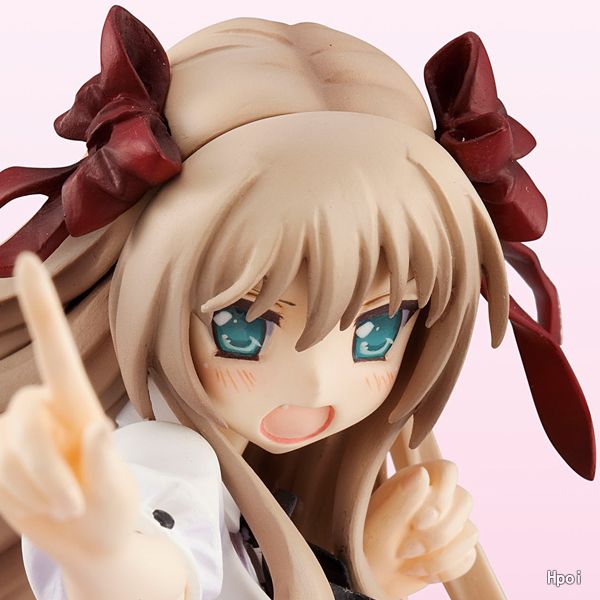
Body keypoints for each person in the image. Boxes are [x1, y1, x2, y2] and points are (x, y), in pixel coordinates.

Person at [0, 6, 593, 600]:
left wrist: (369, 574)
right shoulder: (159, 459)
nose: (315, 383)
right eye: (241, 327)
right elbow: (160, 569)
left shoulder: (238, 460)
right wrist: (100, 553)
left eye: (378, 330)